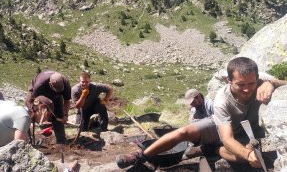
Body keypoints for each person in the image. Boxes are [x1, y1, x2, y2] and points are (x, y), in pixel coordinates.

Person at [116, 57, 286, 169]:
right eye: (240, 85)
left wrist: (271, 83)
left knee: (243, 158)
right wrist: (248, 154)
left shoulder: (258, 78)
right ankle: (140, 156)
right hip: (222, 126)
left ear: (256, 77)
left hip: (247, 129)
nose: (247, 89)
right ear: (229, 80)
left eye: (251, 83)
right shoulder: (221, 99)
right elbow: (227, 138)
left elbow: (283, 82)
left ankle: (213, 150)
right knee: (184, 132)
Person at [25, 70, 71, 144]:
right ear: (50, 84)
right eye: (56, 90)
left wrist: (65, 115)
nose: (57, 92)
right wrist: (33, 111)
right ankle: (28, 140)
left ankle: (61, 141)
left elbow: (67, 101)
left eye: (60, 91)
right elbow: (32, 100)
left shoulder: (65, 83)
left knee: (59, 115)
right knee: (31, 113)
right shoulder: (39, 85)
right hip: (39, 94)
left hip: (57, 98)